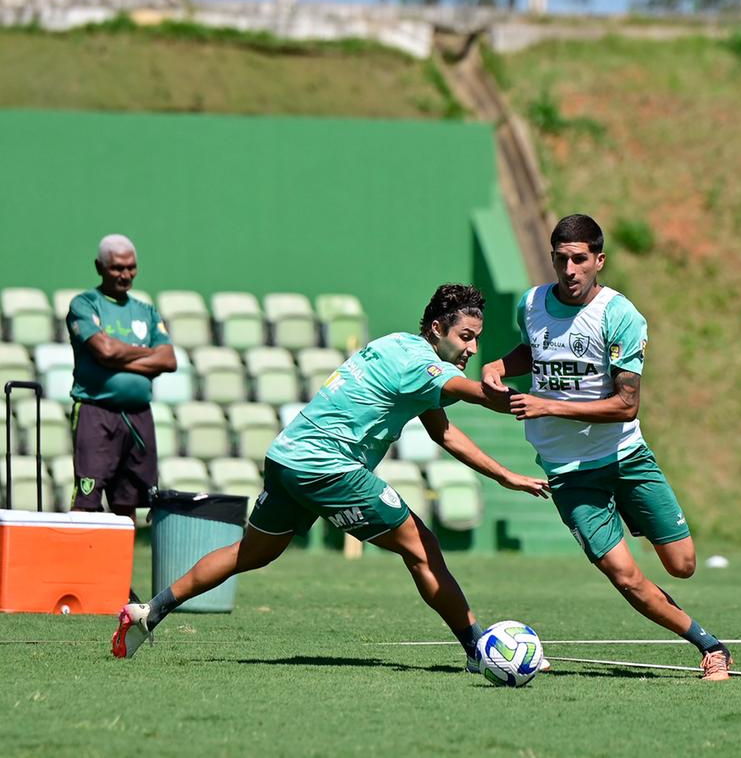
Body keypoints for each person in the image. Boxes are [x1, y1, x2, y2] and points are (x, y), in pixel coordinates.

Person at [112, 284, 550, 664]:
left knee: (251, 552)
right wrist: (549, 399)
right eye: (466, 338)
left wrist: (504, 476)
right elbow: (478, 395)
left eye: (477, 340)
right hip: (328, 466)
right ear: (437, 329)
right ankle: (480, 651)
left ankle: (150, 611)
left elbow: (446, 435)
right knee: (423, 549)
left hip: (287, 459)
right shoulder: (422, 364)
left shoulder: (397, 344)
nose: (472, 349)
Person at [482, 214, 732, 681]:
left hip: (625, 458)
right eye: (561, 259)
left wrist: (548, 406)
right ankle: (709, 645)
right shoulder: (531, 303)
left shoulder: (619, 315)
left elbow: (625, 406)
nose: (570, 269)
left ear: (599, 261)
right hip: (569, 474)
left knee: (683, 566)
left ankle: (633, 511)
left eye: (580, 259)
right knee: (625, 577)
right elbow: (531, 351)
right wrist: (499, 363)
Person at [68, 235, 177, 601]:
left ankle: (116, 584)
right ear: (100, 267)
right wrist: (143, 354)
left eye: (130, 266)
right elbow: (103, 350)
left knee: (126, 503)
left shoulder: (146, 310)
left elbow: (169, 360)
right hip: (96, 413)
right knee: (88, 498)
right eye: (117, 267)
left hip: (138, 418)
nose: (125, 273)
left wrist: (121, 355)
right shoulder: (85, 304)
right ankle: (81, 579)